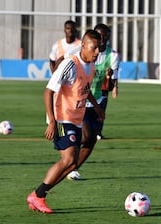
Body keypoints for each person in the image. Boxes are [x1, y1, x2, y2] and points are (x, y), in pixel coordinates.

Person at [26, 30, 103, 214]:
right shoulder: (70, 64)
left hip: (76, 118)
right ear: (83, 45)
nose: (97, 51)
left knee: (72, 164)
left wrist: (96, 107)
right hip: (61, 117)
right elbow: (48, 92)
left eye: (99, 48)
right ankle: (38, 196)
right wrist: (51, 121)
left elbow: (85, 89)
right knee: (68, 159)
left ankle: (38, 195)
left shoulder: (90, 65)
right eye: (94, 48)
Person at [67, 23, 120, 181]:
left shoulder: (113, 56)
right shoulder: (80, 52)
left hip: (99, 100)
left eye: (105, 36)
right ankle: (67, 154)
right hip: (80, 99)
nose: (102, 39)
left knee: (91, 139)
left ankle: (73, 168)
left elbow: (110, 87)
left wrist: (109, 77)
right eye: (99, 35)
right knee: (85, 135)